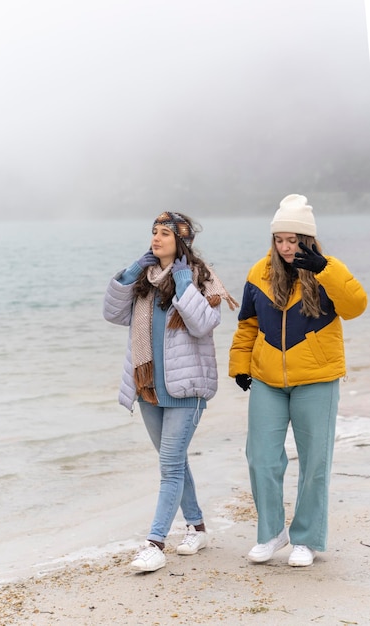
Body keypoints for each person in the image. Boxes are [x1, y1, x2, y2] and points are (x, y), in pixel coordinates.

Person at [229, 194, 367, 567]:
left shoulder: (328, 270)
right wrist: (241, 364)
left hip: (317, 380)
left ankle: (306, 538)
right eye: (280, 239)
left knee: (314, 462)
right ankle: (272, 534)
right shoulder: (258, 272)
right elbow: (247, 325)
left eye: (293, 240)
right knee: (261, 458)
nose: (286, 247)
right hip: (268, 381)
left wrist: (324, 269)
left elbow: (356, 306)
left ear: (308, 240)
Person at [103, 211, 238, 572]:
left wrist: (182, 283)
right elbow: (112, 314)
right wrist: (129, 273)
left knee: (169, 466)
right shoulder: (144, 280)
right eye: (153, 231)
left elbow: (204, 324)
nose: (156, 238)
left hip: (187, 388)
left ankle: (155, 543)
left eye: (165, 233)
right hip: (148, 388)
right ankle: (197, 527)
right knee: (174, 462)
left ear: (182, 240)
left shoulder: (200, 277)